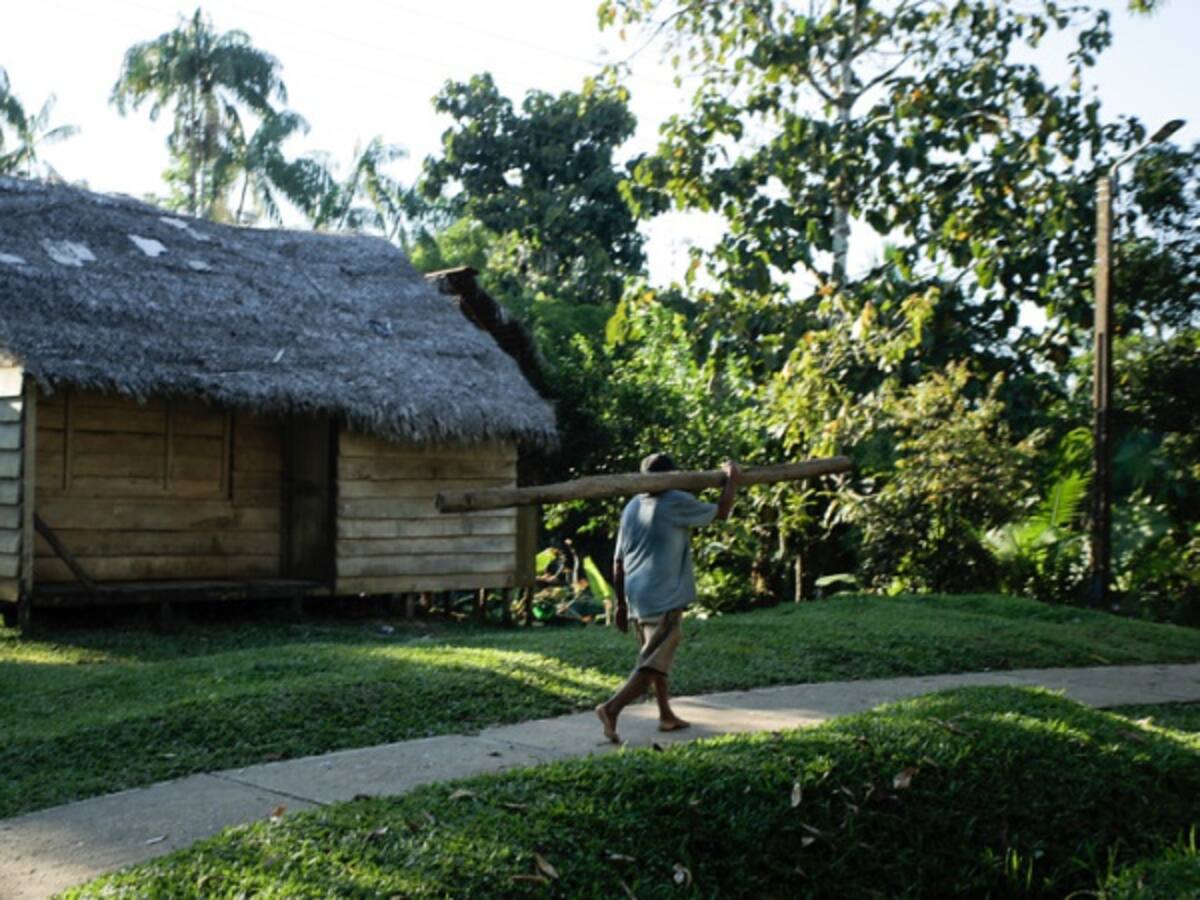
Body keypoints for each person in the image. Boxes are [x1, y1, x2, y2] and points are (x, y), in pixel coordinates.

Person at [596, 453, 741, 743]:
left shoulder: (632, 505)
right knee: (652, 665)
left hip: (636, 595)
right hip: (663, 596)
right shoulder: (674, 500)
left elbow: (618, 562)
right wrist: (733, 478)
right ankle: (611, 709)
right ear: (672, 477)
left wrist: (622, 604)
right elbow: (721, 513)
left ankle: (666, 715)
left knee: (653, 658)